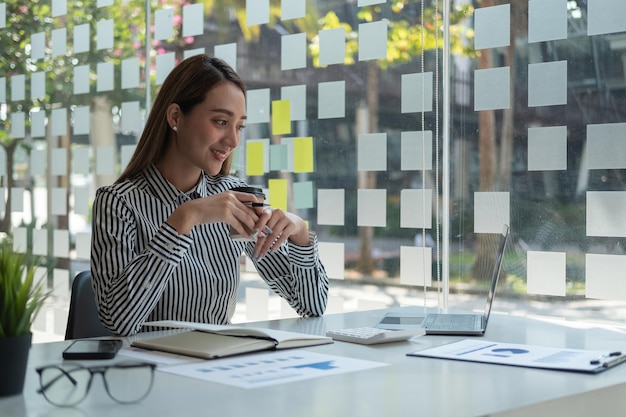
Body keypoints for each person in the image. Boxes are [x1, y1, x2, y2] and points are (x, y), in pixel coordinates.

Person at [91, 54, 329, 336]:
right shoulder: (118, 203)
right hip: (149, 372)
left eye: (239, 126)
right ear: (175, 117)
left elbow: (312, 305)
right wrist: (185, 218)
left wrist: (300, 234)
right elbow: (118, 320)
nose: (233, 141)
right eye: (220, 122)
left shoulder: (235, 197)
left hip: (217, 366)